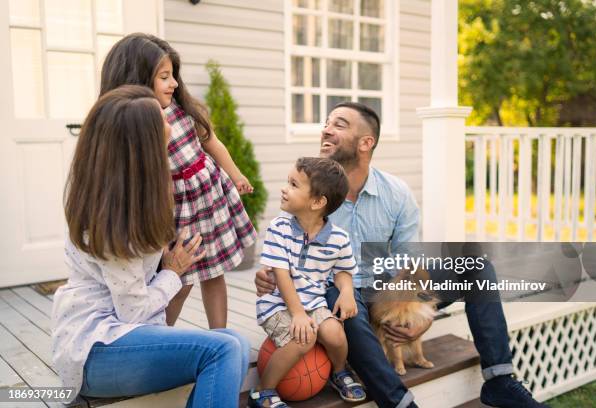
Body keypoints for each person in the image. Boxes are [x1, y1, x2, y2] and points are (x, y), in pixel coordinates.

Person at [255, 102, 550, 408]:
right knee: (345, 306)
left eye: (339, 124)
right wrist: (269, 276)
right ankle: (399, 403)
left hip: (388, 287)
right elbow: (283, 253)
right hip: (339, 292)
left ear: (366, 143)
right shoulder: (311, 192)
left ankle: (500, 381)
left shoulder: (395, 193)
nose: (326, 129)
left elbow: (409, 264)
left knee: (476, 267)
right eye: (326, 123)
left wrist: (423, 313)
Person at [52, 85, 250, 408]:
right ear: (141, 144)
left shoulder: (132, 196)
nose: (170, 123)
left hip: (118, 339)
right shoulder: (114, 218)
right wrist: (173, 272)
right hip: (94, 350)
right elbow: (133, 312)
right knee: (223, 350)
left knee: (236, 342)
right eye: (161, 119)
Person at [99, 33, 257, 329]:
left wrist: (236, 175)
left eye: (173, 75)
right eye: (164, 77)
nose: (173, 83)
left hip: (209, 198)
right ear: (138, 79)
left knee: (214, 273)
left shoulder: (183, 108)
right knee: (178, 279)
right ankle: (162, 335)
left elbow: (212, 143)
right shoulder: (134, 124)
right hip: (177, 208)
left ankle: (220, 334)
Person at [249, 158, 366, 407]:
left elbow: (344, 270)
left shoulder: (338, 238)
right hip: (278, 304)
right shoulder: (278, 228)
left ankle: (339, 371)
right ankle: (262, 391)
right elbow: (280, 274)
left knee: (334, 333)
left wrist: (346, 291)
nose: (284, 188)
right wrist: (298, 313)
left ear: (317, 202)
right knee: (305, 339)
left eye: (293, 184)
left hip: (313, 302)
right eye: (287, 182)